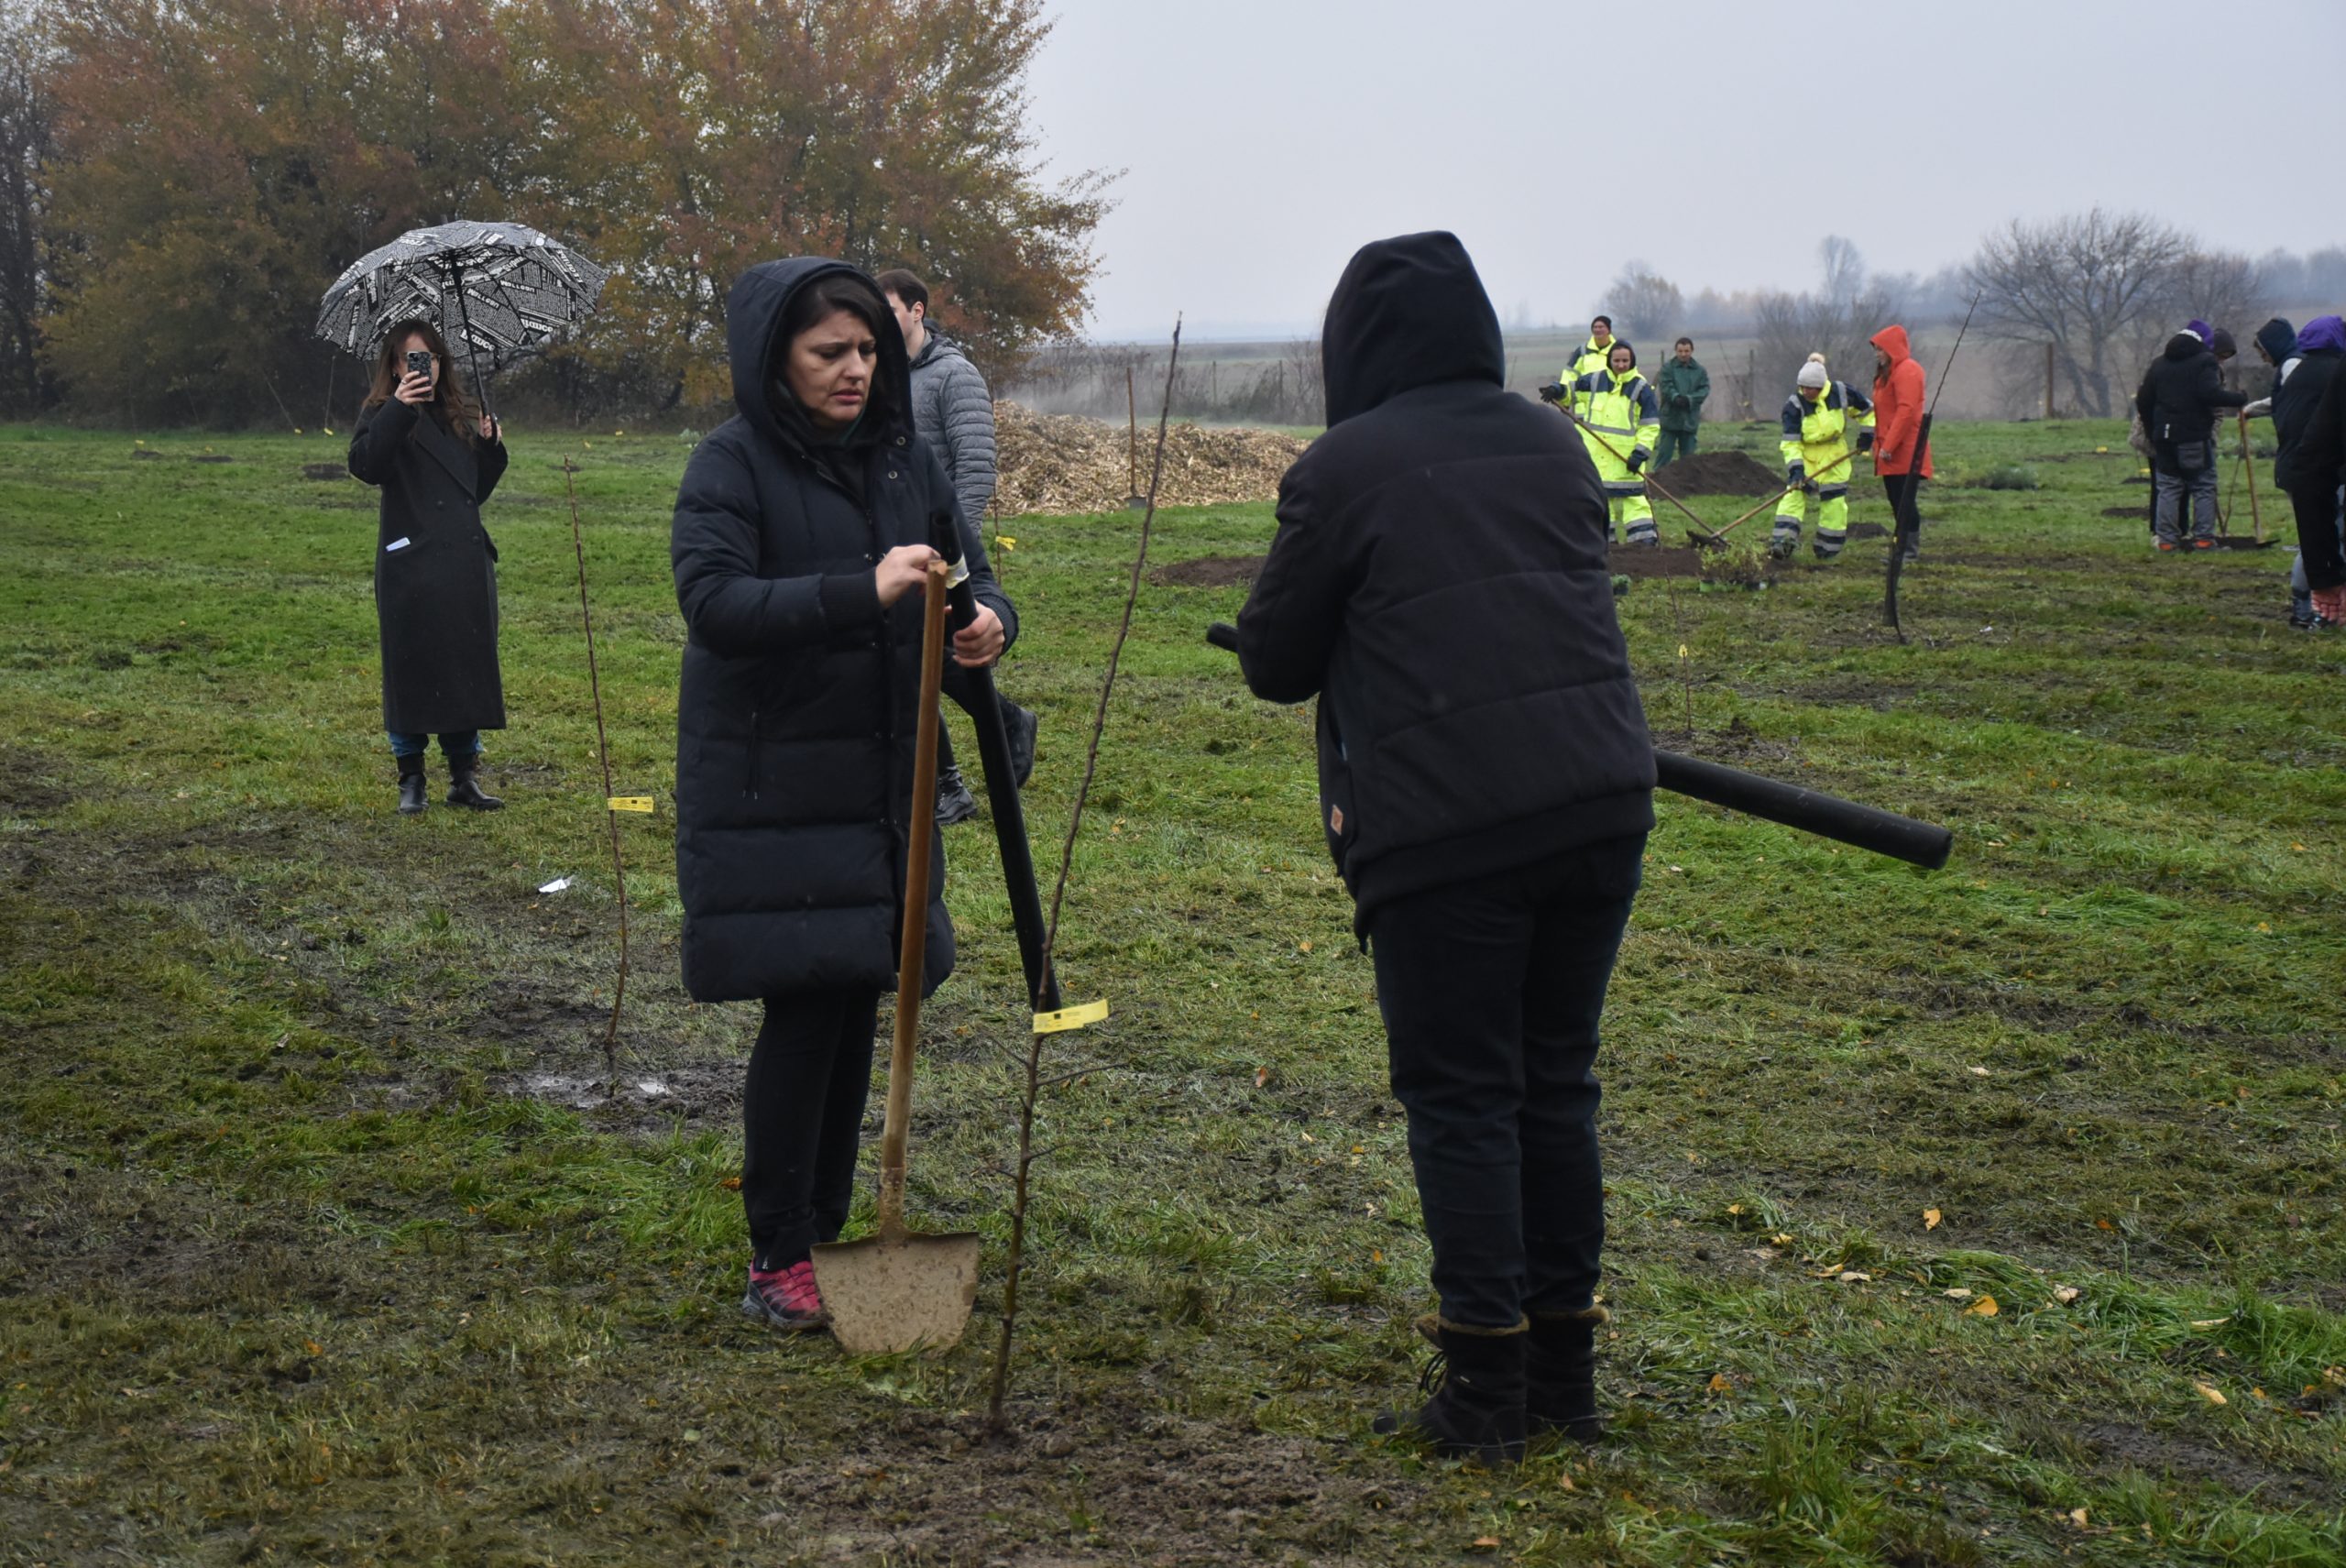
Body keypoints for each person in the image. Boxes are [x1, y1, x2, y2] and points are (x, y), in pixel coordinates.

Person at [1238, 232, 1655, 1464]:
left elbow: (1273, 657)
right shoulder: (1551, 438)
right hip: (1597, 802)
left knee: (1466, 1096)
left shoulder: (1344, 468)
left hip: (1449, 829)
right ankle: (1563, 1381)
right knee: (1554, 1084)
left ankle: (1485, 1389)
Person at [668, 258, 1015, 1332]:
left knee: (862, 990)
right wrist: (858, 591)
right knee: (805, 1006)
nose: (856, 370)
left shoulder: (902, 461)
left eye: (867, 349)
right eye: (830, 353)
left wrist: (983, 623)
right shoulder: (730, 466)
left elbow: (965, 572)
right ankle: (779, 1250)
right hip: (776, 785)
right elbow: (714, 601)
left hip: (878, 783)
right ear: (777, 357)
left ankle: (824, 1227)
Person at [876, 268, 1039, 824]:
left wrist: (954, 548)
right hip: (893, 547)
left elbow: (974, 465)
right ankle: (988, 741)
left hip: (942, 550)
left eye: (891, 309)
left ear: (917, 311)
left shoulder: (954, 375)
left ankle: (972, 759)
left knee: (927, 657)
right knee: (915, 657)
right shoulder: (881, 374)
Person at [346, 320, 510, 815]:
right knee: (411, 668)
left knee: (464, 667)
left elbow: (472, 494)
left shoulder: (459, 415)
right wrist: (399, 407)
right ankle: (411, 778)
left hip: (462, 566)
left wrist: (492, 447)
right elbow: (366, 466)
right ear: (395, 365)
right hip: (410, 566)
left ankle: (464, 776)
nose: (426, 368)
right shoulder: (380, 413)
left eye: (433, 358)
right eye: (414, 359)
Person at [2135, 321, 2249, 552]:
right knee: (2203, 486)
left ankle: (2166, 541)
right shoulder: (2205, 362)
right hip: (2193, 436)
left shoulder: (2159, 364)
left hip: (2163, 437)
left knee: (2168, 487)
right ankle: (2204, 540)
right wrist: (2238, 399)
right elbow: (2210, 394)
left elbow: (2143, 400)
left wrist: (2152, 429)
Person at [1548, 341, 1661, 547]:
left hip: (1626, 459)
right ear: (1610, 360)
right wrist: (1558, 390)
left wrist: (1640, 453)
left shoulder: (1641, 389)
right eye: (1616, 360)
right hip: (1596, 457)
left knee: (1634, 501)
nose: (1620, 365)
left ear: (1632, 361)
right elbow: (1571, 393)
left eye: (1625, 361)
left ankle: (1644, 543)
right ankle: (1601, 542)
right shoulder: (1594, 380)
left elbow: (1650, 425)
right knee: (1599, 500)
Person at [2275, 315, 2346, 628]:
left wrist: (2325, 572)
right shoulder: (2333, 371)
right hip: (2328, 468)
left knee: (2323, 536)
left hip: (2302, 466)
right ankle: (2308, 608)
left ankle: (2307, 602)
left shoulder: (2298, 372)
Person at [1770, 354, 1876, 562]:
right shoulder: (1794, 405)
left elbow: (1868, 411)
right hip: (1807, 456)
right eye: (1802, 387)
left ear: (1820, 387)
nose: (1805, 391)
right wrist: (1796, 470)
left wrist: (1866, 436)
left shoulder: (1841, 392)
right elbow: (1791, 443)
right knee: (1793, 496)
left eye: (1809, 388)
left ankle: (1827, 550)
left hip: (1836, 455)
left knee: (1834, 503)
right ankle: (1782, 543)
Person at [1869, 324, 1932, 561]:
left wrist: (1889, 446)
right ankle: (1901, 548)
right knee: (1897, 501)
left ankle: (1909, 551)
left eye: (1880, 349)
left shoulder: (1908, 371)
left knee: (1905, 502)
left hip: (1904, 450)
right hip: (1890, 451)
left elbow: (1905, 412)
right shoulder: (1889, 373)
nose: (1877, 354)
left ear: (1892, 349)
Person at [1654, 337, 1709, 468]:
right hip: (1670, 418)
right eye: (1680, 351)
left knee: (1689, 458)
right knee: (1664, 454)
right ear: (1676, 351)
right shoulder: (1668, 368)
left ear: (1692, 351)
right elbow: (1665, 386)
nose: (1683, 354)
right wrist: (1675, 397)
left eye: (1686, 351)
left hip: (1689, 419)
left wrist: (1690, 399)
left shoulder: (1700, 371)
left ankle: (1688, 484)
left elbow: (1704, 389)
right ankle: (1656, 481)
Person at [1563, 316, 1615, 424]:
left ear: (1609, 330)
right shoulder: (1582, 351)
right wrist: (1563, 395)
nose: (1597, 329)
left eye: (1601, 327)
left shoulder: (1618, 350)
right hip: (1584, 411)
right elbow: (1569, 376)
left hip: (1611, 408)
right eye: (1595, 327)